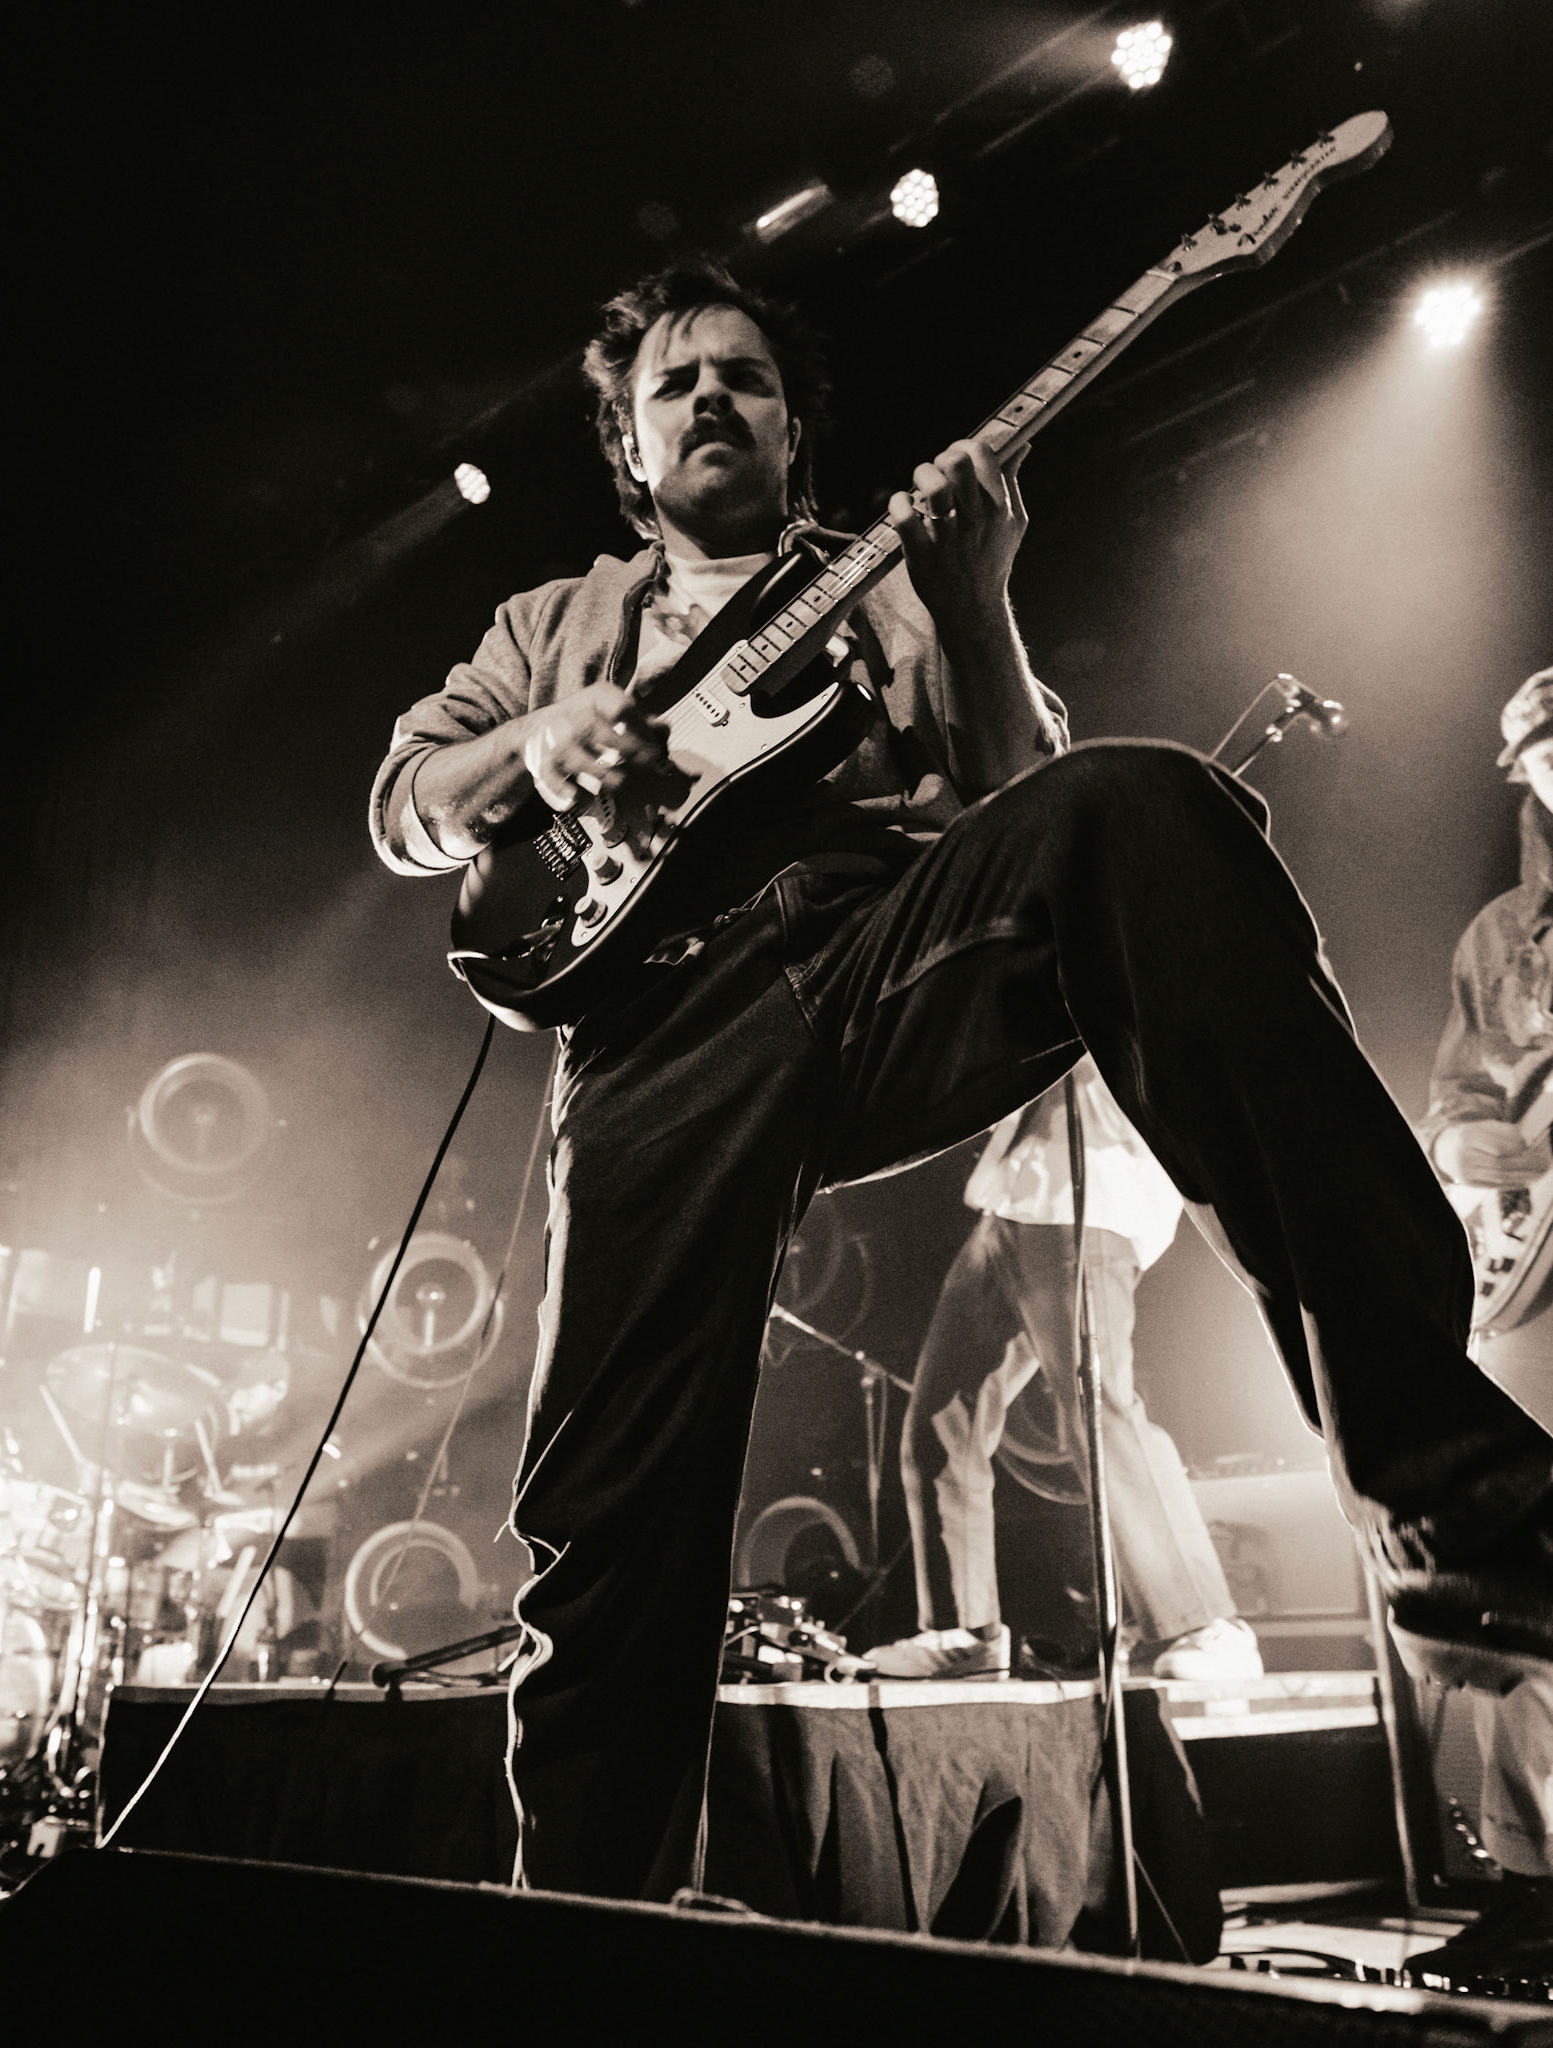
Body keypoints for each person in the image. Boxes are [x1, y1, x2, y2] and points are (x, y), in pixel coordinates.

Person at [370, 259, 1553, 1904]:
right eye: (674, 383)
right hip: (655, 1037)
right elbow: (408, 804)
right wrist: (540, 744)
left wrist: (978, 595)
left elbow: (1024, 806)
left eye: (745, 378)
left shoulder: (880, 593)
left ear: (793, 432)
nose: (711, 398)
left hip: (866, 968)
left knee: (1142, 810)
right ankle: (587, 1929)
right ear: (628, 448)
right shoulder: (551, 623)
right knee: (610, 1514)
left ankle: (1443, 1490)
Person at [865, 1055, 1261, 1683]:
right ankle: (965, 1633)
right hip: (1008, 1205)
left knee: (1097, 1412)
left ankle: (1206, 1623)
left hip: (1091, 1196)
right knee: (941, 1424)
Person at [1414, 668, 1553, 1984]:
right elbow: (1455, 1092)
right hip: (1528, 1289)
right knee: (1522, 1585)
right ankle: (1532, 1884)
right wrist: (1468, 1144)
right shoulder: (1502, 931)